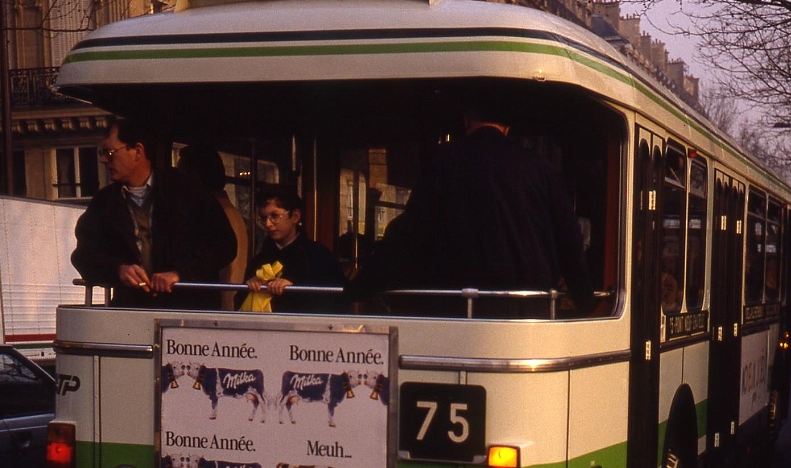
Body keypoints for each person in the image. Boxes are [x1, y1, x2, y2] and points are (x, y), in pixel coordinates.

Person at [347, 98, 593, 317]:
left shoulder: (444, 161)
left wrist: (361, 286)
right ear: (507, 128)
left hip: (454, 312)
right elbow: (569, 243)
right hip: (526, 314)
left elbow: (410, 235)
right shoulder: (541, 169)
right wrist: (586, 302)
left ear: (466, 120)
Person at [72, 118, 237, 309]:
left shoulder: (187, 190)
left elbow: (224, 245)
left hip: (188, 310)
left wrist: (180, 274)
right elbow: (83, 255)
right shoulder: (103, 203)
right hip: (133, 312)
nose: (103, 160)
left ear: (138, 151)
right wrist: (118, 269)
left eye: (109, 153)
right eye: (102, 153)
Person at [241, 184, 344, 312]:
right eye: (263, 218)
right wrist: (249, 288)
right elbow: (239, 305)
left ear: (295, 216)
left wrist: (294, 288)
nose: (268, 224)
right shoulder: (258, 260)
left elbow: (337, 302)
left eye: (274, 216)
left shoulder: (319, 257)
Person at [176, 144, 249, 310]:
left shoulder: (212, 214)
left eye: (181, 175)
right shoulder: (230, 210)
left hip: (218, 305)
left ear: (194, 177)